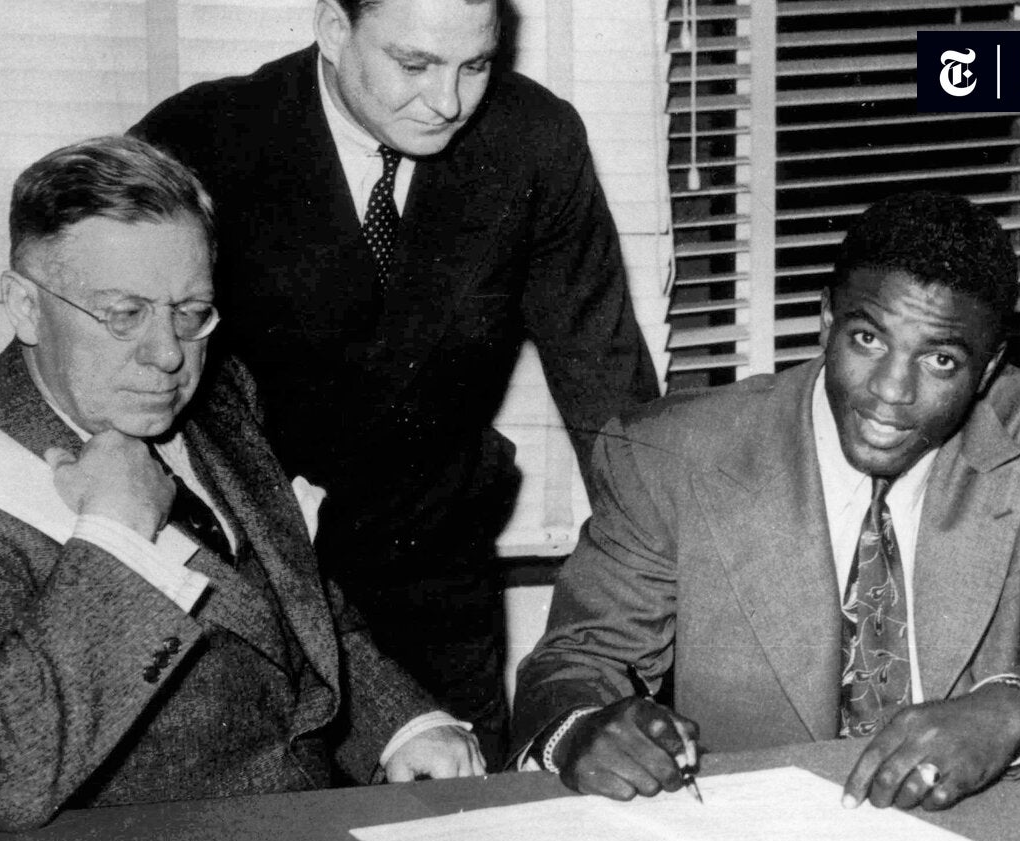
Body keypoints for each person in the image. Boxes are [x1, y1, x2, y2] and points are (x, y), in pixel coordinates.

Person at [0, 136, 484, 833]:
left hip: (308, 839)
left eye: (191, 312)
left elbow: (289, 601)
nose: (167, 354)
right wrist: (115, 536)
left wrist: (401, 724)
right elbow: (5, 776)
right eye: (123, 315)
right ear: (24, 305)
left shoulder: (221, 393)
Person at [130, 0, 660, 761]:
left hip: (435, 579)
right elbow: (100, 365)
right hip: (251, 591)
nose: (447, 103)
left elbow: (606, 380)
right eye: (413, 65)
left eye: (474, 65)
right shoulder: (200, 142)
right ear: (335, 29)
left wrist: (661, 596)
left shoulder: (531, 140)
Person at [513, 191, 1020, 812]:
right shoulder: (670, 455)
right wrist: (581, 728)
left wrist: (1004, 711)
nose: (890, 392)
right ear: (826, 321)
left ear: (987, 372)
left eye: (940, 360)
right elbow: (577, 660)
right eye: (867, 340)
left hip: (978, 839)